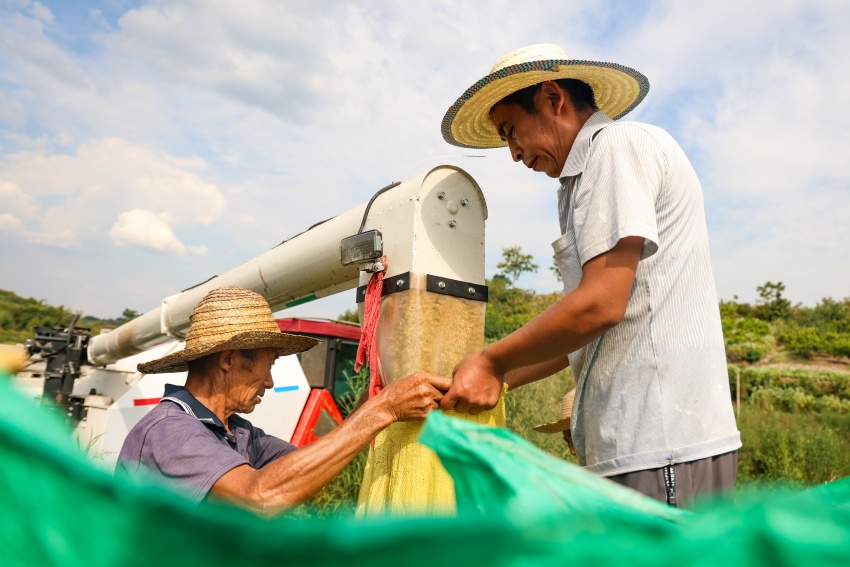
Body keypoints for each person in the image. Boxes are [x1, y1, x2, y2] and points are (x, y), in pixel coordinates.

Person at [439, 44, 741, 507]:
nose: (514, 154)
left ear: (553, 99)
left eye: (511, 131)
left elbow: (600, 304)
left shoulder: (616, 149)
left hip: (660, 443)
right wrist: (496, 379)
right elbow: (582, 332)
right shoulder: (579, 182)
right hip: (641, 448)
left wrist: (490, 362)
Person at [117, 286, 450, 515]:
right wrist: (385, 408)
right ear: (229, 359)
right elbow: (259, 497)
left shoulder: (237, 432)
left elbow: (303, 467)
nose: (271, 382)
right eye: (269, 366)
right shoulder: (171, 432)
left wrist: (369, 403)